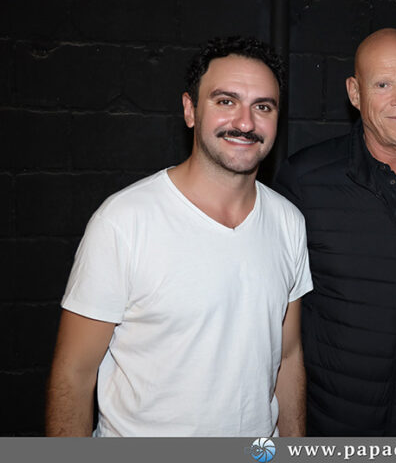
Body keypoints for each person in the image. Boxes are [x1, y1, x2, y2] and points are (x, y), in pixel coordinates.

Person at [45, 36, 312, 437]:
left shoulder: (288, 222)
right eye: (226, 101)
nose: (245, 123)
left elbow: (288, 358)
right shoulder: (124, 221)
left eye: (263, 107)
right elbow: (73, 375)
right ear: (190, 110)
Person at [274, 28, 396, 436]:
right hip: (331, 427)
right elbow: (273, 318)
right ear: (355, 92)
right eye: (383, 85)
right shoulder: (306, 180)